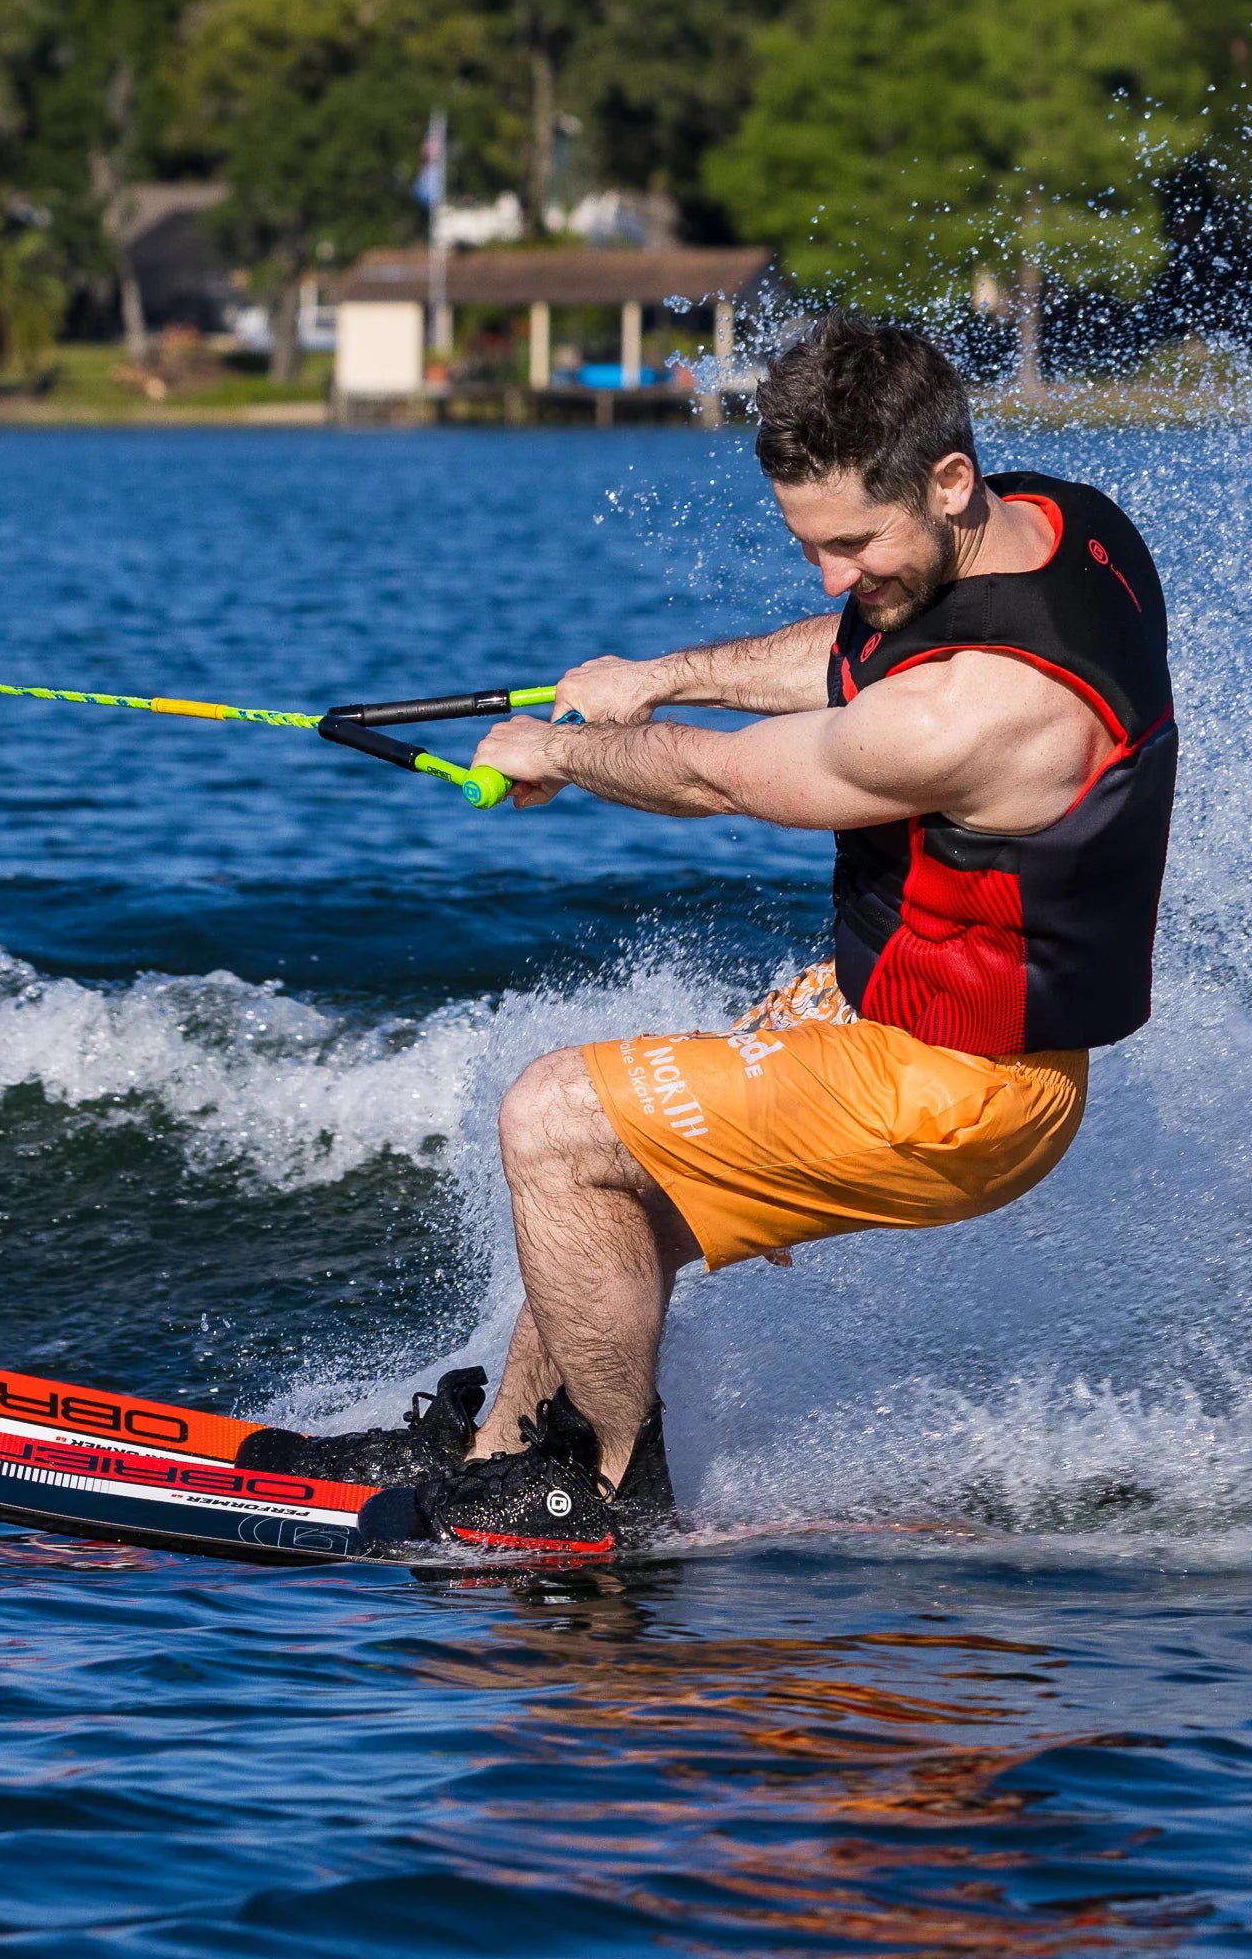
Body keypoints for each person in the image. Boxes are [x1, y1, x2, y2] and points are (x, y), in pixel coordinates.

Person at [238, 313, 1177, 1555]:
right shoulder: (1061, 522)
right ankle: (505, 1446)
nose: (834, 578)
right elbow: (855, 647)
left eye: (852, 543)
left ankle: (607, 1490)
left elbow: (726, 781)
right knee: (609, 1169)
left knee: (553, 1117)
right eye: (811, 544)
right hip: (896, 1017)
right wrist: (660, 670)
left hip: (960, 1088)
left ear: (950, 480)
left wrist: (563, 752)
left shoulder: (973, 714)